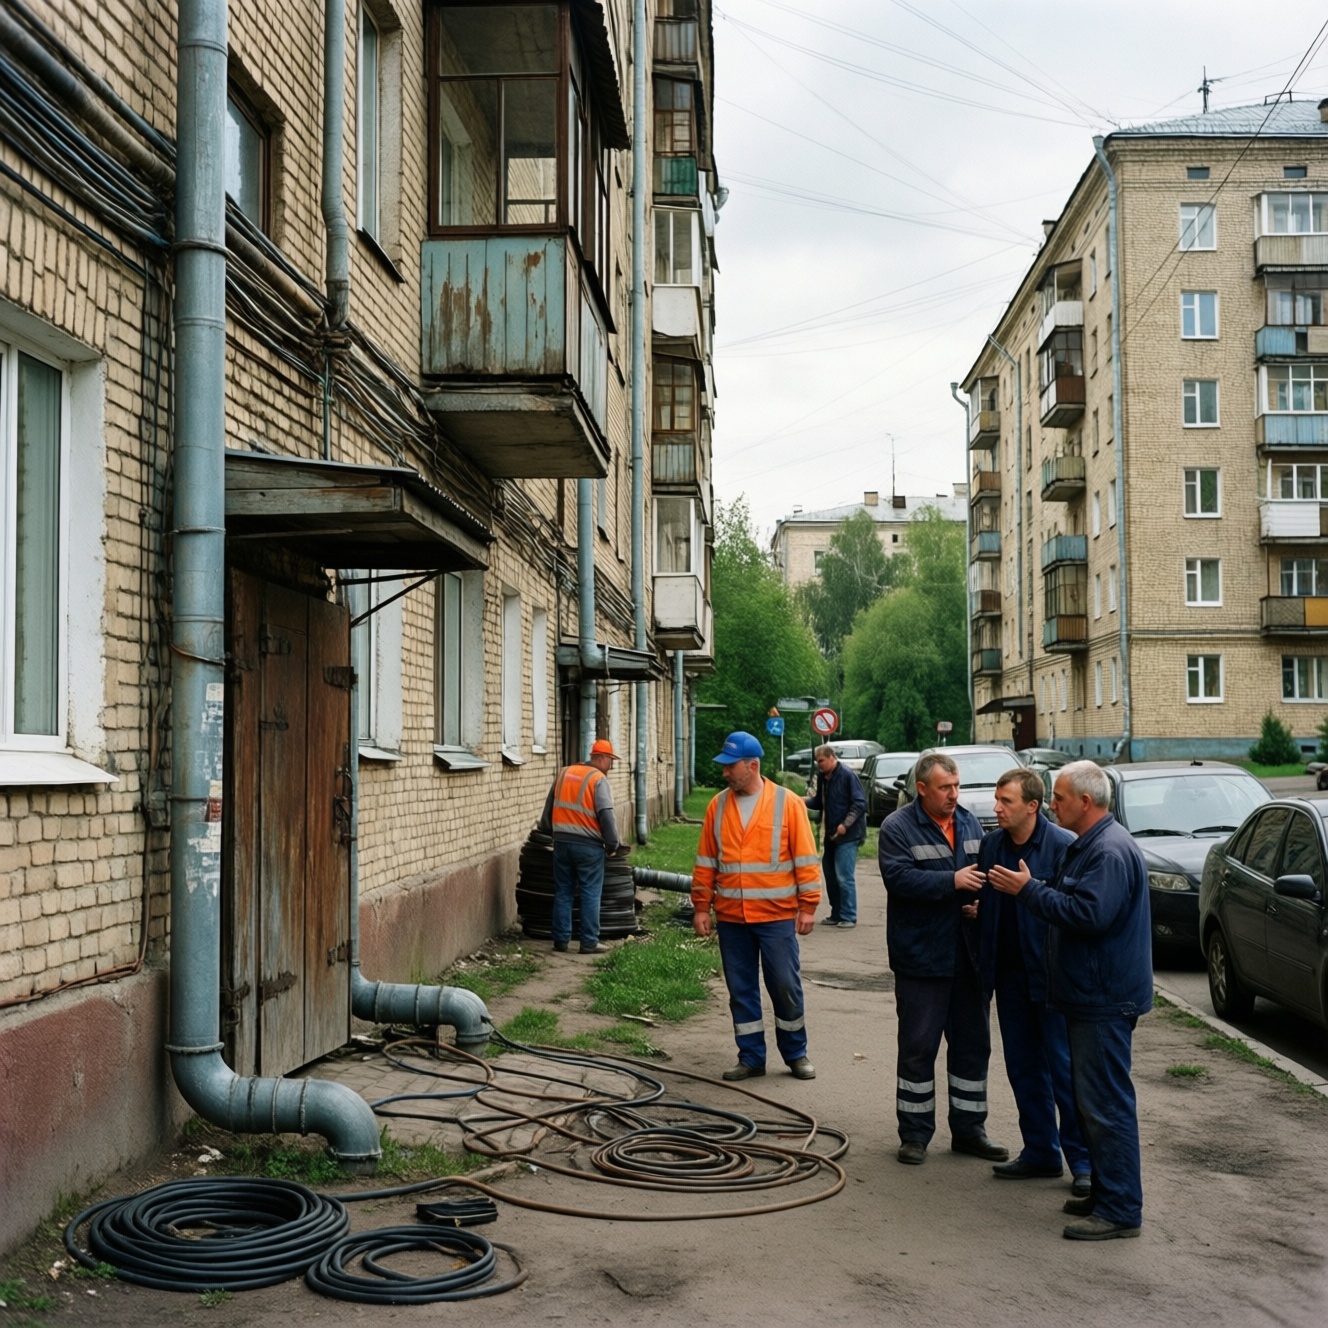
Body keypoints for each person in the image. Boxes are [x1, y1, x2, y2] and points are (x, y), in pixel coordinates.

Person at [989, 759, 1152, 1241]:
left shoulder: (1107, 852)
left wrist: (1028, 891)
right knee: (1092, 1101)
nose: (1052, 804)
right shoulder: (1093, 844)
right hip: (1090, 994)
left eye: (1058, 798)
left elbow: (1089, 915)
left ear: (1085, 801)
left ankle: (1120, 1210)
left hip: (1102, 998)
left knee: (1106, 1106)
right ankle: (1105, 1193)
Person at [878, 751, 1008, 1166]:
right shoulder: (897, 827)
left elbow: (983, 875)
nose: (954, 795)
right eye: (944, 788)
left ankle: (970, 1131)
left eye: (956, 786)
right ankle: (914, 1134)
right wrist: (951, 882)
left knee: (973, 1047)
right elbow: (899, 879)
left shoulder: (969, 821)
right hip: (921, 957)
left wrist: (978, 902)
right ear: (921, 789)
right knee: (918, 1047)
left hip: (967, 957)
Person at [977, 768, 1091, 1197]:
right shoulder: (992, 845)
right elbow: (991, 903)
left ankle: (1081, 1162)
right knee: (1023, 1069)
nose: (996, 808)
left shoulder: (1063, 846)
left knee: (1064, 1071)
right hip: (1009, 978)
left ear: (1031, 805)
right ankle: (1040, 1151)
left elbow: (1072, 910)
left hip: (1052, 980)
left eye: (1005, 801)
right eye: (996, 799)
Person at [691, 731, 821, 1081]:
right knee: (741, 989)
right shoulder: (717, 806)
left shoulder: (788, 803)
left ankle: (796, 1054)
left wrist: (808, 906)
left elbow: (806, 859)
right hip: (733, 918)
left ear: (752, 765)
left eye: (730, 766)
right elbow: (706, 862)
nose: (724, 773)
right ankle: (751, 1057)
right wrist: (701, 906)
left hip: (776, 917)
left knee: (784, 986)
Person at [539, 738, 626, 955]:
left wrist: (551, 832)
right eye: (611, 761)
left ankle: (560, 939)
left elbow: (548, 810)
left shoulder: (564, 773)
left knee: (563, 891)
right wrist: (612, 843)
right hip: (589, 846)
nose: (611, 766)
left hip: (562, 843)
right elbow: (606, 814)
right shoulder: (598, 779)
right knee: (590, 892)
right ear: (602, 758)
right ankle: (588, 942)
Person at [805, 744, 867, 929]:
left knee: (843, 875)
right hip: (831, 834)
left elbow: (859, 803)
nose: (819, 765)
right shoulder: (824, 778)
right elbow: (818, 802)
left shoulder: (847, 775)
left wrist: (845, 825)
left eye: (822, 761)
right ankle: (837, 913)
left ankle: (849, 915)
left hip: (848, 835)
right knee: (830, 875)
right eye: (817, 762)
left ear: (832, 757)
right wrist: (800, 801)